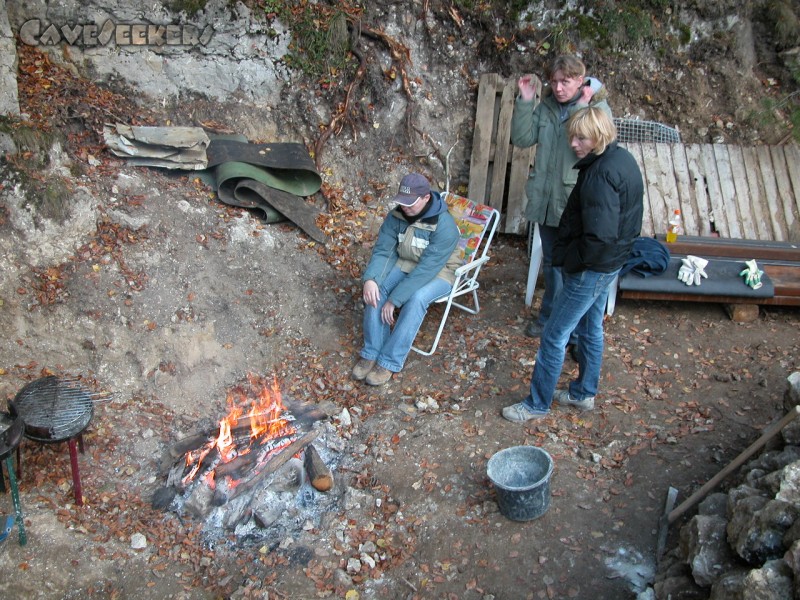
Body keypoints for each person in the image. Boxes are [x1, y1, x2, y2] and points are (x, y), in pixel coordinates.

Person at [502, 107, 643, 422]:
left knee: (554, 334)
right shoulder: (622, 160)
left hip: (593, 269)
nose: (574, 144)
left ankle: (537, 404)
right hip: (611, 264)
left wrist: (571, 263)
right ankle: (583, 393)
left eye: (581, 138)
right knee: (592, 326)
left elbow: (600, 236)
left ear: (599, 135)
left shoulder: (599, 175)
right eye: (572, 137)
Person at [510, 55, 612, 340]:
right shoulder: (547, 107)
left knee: (575, 267)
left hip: (575, 202)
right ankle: (550, 318)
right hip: (545, 201)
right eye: (554, 81)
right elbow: (521, 138)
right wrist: (526, 100)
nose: (557, 87)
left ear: (581, 80)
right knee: (554, 264)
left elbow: (600, 146)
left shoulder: (596, 107)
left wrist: (581, 107)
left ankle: (575, 329)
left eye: (565, 81)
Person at [352, 173, 461, 386]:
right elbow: (384, 251)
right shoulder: (396, 217)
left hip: (439, 271)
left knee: (417, 298)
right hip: (406, 261)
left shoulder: (445, 226)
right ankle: (372, 351)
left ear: (426, 198)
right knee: (378, 288)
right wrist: (371, 279)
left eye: (410, 203)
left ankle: (390, 361)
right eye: (402, 201)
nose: (405, 207)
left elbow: (427, 270)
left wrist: (395, 300)